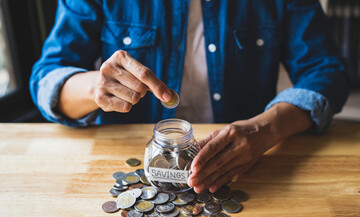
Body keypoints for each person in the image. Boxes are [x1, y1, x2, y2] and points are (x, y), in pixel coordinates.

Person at [30, 0, 350, 193]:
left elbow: (327, 72)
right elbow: (46, 78)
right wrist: (94, 87)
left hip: (248, 170)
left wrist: (265, 129)